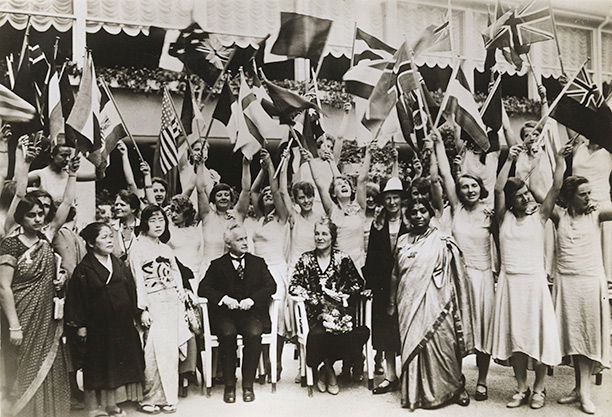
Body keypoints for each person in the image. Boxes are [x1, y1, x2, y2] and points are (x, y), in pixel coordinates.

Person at [491, 144, 570, 409]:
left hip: (534, 282)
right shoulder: (503, 219)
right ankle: (521, 387)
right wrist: (509, 159)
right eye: (520, 196)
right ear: (511, 201)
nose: (526, 198)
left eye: (527, 193)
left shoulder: (541, 216)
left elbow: (556, 189)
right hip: (510, 283)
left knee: (540, 335)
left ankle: (539, 388)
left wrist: (559, 160)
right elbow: (498, 189)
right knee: (516, 338)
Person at [388, 196, 473, 410]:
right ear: (407, 217)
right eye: (413, 212)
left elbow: (458, 276)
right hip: (408, 302)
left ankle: (454, 387)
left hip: (439, 303)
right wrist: (391, 300)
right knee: (413, 345)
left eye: (422, 211)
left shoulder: (443, 240)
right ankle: (415, 392)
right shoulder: (402, 241)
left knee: (445, 344)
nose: (418, 216)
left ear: (430, 213)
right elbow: (395, 274)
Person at [432, 129, 496, 401]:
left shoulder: (490, 210)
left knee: (483, 330)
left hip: (482, 278)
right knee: (456, 331)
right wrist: (436, 144)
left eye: (473, 186)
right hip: (457, 277)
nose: (469, 190)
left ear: (480, 188)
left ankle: (481, 381)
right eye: (464, 186)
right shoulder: (456, 208)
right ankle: (458, 381)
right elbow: (446, 174)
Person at [0, 194, 70, 417]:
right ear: (20, 218)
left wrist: (61, 278)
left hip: (46, 316)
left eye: (41, 214)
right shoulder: (11, 243)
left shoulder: (45, 240)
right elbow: (3, 287)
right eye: (31, 215)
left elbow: (66, 204)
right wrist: (14, 325)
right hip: (21, 315)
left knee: (49, 363)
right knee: (23, 366)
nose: (38, 219)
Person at [66, 222, 145, 417]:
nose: (110, 240)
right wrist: (81, 326)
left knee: (115, 364)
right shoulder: (83, 269)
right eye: (104, 237)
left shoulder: (118, 263)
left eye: (111, 236)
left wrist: (137, 313)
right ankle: (93, 408)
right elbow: (77, 299)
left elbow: (131, 290)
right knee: (95, 366)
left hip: (120, 324)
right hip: (96, 327)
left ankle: (111, 405)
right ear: (91, 243)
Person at [289, 217, 369, 395]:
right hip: (315, 316)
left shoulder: (343, 259)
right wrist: (315, 298)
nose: (319, 237)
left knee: (354, 333)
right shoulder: (306, 259)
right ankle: (330, 372)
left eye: (324, 233)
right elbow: (294, 285)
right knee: (320, 334)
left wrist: (344, 294)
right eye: (317, 233)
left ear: (332, 237)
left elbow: (357, 283)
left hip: (339, 315)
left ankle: (324, 370)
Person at [552, 176, 612, 415]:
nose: (589, 197)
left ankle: (585, 393)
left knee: (586, 336)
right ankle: (578, 388)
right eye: (583, 194)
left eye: (589, 192)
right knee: (573, 337)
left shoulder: (597, 213)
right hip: (566, 282)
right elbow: (538, 191)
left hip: (589, 282)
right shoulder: (559, 215)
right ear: (569, 198)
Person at [198, 224, 277, 404]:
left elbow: (271, 286)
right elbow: (203, 288)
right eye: (239, 239)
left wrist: (253, 300)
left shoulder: (258, 263)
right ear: (228, 244)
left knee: (254, 333)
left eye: (245, 238)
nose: (244, 242)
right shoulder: (217, 265)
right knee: (227, 334)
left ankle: (248, 385)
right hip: (225, 315)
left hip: (251, 314)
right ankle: (229, 385)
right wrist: (224, 299)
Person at [128, 205, 191, 414]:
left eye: (161, 220)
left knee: (170, 352)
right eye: (153, 220)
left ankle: (168, 398)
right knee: (153, 351)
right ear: (144, 222)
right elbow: (137, 280)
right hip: (152, 301)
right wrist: (142, 309)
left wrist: (181, 293)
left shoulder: (165, 248)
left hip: (171, 300)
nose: (158, 224)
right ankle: (150, 397)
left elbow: (176, 274)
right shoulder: (137, 247)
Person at [363, 176, 408, 394]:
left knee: (406, 327)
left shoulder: (410, 220)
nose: (392, 202)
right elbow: (372, 255)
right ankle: (390, 375)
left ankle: (408, 373)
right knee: (385, 329)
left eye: (395, 198)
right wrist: (370, 283)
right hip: (382, 283)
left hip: (407, 281)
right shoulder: (378, 223)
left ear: (401, 200)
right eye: (388, 198)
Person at [305, 144, 369, 272]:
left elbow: (362, 180)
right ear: (334, 193)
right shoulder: (332, 210)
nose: (343, 185)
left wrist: (369, 154)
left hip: (360, 263)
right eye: (339, 185)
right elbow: (320, 185)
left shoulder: (359, 208)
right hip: (338, 265)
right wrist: (310, 161)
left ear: (352, 189)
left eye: (346, 183)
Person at [28, 142, 94, 201]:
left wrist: (94, 158)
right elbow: (19, 182)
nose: (67, 159)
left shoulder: (70, 174)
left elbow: (97, 176)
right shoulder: (41, 174)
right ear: (52, 155)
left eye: (69, 156)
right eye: (63, 155)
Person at [111, 190, 140, 261]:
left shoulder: (143, 227)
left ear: (133, 209)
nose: (117, 207)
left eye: (122, 205)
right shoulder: (110, 228)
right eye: (116, 204)